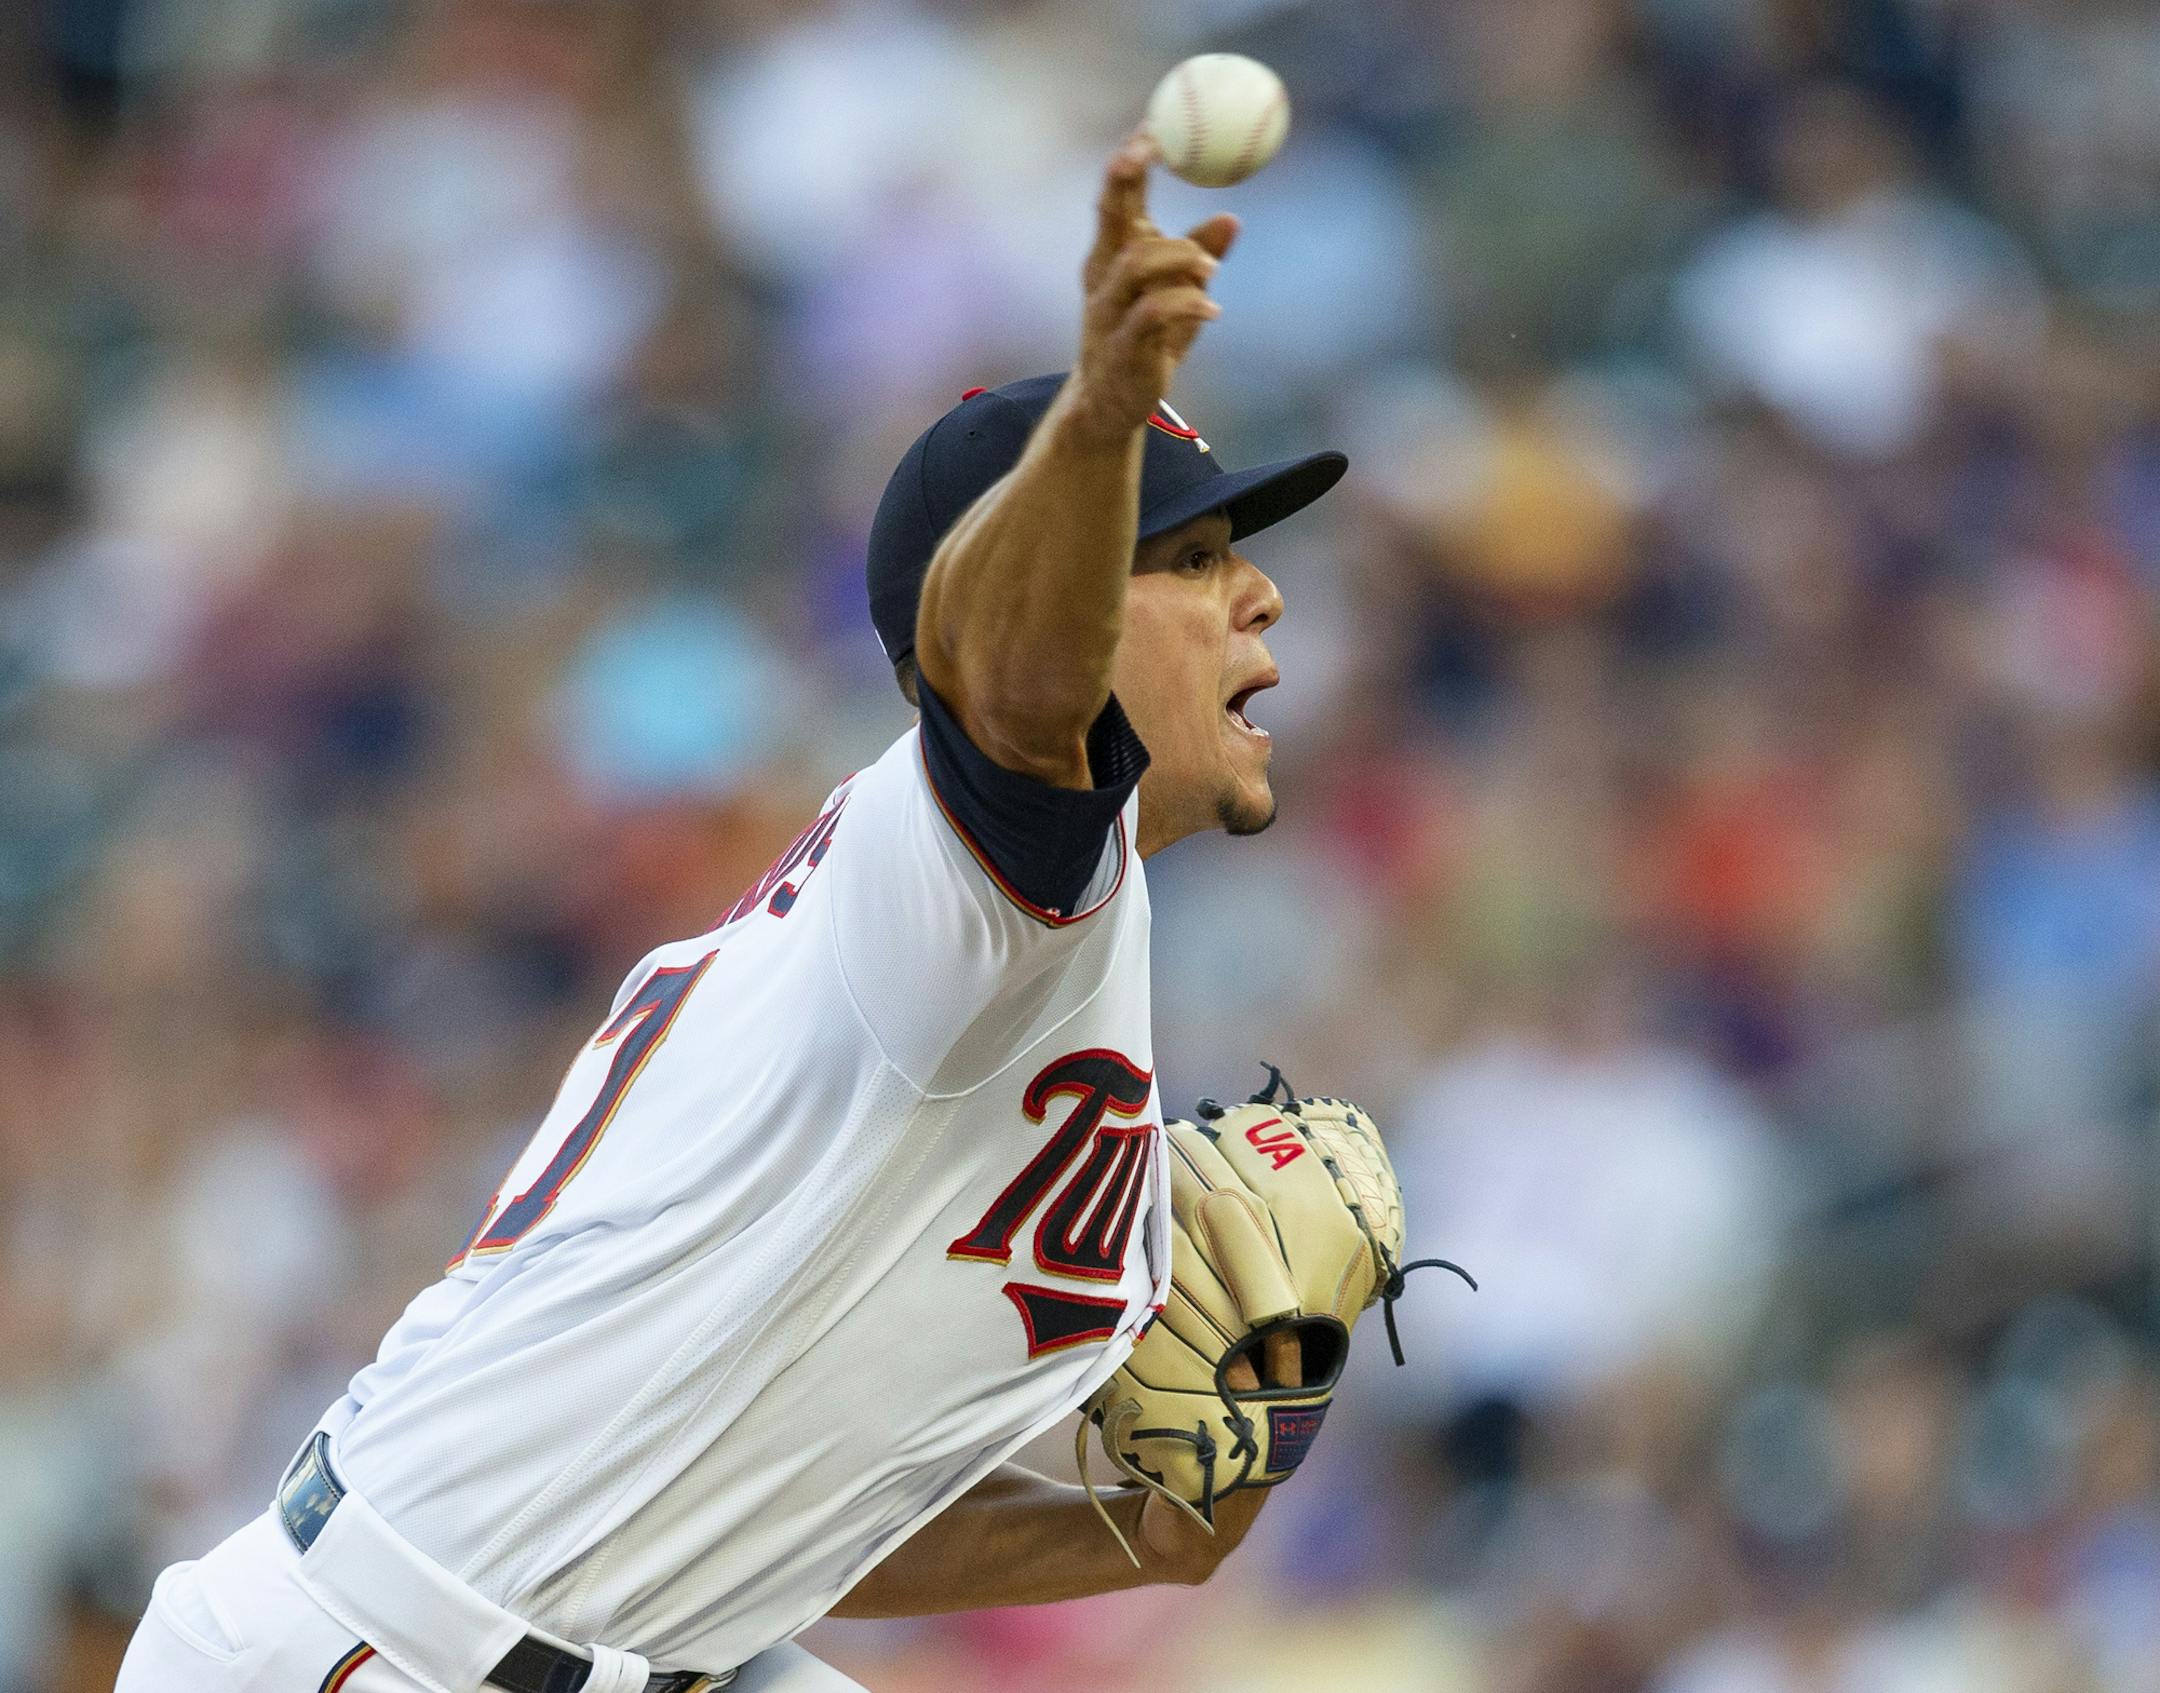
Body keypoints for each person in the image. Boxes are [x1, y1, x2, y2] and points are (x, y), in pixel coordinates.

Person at [115, 132, 1347, 1693]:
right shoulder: (968, 875)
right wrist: (1092, 432)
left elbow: (793, 1507)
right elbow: (1004, 698)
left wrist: (1139, 1535)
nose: (1261, 594)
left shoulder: (1031, 937)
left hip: (613, 1639)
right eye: (1187, 558)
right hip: (389, 1652)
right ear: (1059, 609)